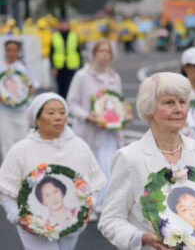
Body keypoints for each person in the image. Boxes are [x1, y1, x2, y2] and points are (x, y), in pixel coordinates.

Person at [98, 72, 195, 250]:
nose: (178, 109)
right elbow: (110, 220)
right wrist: (142, 237)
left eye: (182, 102)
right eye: (169, 103)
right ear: (149, 109)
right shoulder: (129, 158)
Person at [0, 92, 106, 250]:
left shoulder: (79, 146)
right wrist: (19, 218)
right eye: (50, 113)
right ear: (36, 119)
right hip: (34, 227)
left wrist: (87, 207)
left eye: (62, 113)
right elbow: (6, 192)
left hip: (72, 223)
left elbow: (93, 186)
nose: (58, 117)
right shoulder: (21, 150)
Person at [67, 39, 124, 214]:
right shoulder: (82, 76)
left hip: (109, 133)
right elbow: (72, 102)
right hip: (89, 132)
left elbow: (118, 103)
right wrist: (87, 116)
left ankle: (104, 205)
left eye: (108, 52)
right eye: (101, 52)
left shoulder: (114, 78)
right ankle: (87, 205)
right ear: (94, 54)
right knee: (87, 168)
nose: (104, 56)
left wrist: (122, 117)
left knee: (108, 167)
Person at [0, 40, 39, 159]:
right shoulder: (1, 66)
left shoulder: (24, 67)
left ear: (19, 52)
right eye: (9, 50)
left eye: (15, 50)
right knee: (6, 142)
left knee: (22, 141)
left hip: (21, 110)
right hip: (4, 111)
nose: (12, 53)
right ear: (5, 51)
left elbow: (34, 83)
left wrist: (31, 88)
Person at [50, 19, 82, 99]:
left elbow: (78, 50)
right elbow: (51, 52)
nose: (64, 26)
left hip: (71, 65)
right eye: (62, 24)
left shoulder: (73, 35)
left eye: (65, 24)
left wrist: (80, 65)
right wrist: (52, 66)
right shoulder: (55, 36)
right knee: (60, 88)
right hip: (59, 66)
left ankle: (69, 104)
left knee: (70, 86)